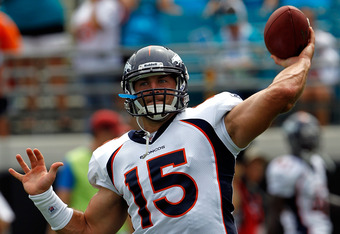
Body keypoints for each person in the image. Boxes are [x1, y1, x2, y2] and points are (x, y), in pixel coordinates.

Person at [8, 25, 315, 233]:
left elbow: (282, 94)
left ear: (179, 84)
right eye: (144, 83)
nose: (153, 89)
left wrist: (300, 60)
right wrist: (44, 197)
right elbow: (88, 229)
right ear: (130, 91)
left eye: (162, 80)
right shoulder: (113, 156)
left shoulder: (210, 121)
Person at [47, 109, 132, 234]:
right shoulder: (73, 161)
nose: (118, 138)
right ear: (101, 132)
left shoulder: (73, 159)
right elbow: (62, 202)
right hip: (83, 229)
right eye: (115, 133)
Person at [265, 111, 333, 234]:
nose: (309, 142)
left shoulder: (317, 163)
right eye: (306, 137)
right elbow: (275, 210)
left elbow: (320, 199)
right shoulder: (285, 166)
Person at [70, 0, 125, 110]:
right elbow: (74, 32)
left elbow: (98, 25)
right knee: (89, 107)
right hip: (85, 65)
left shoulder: (111, 5)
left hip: (104, 65)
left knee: (105, 106)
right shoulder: (84, 6)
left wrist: (95, 5)